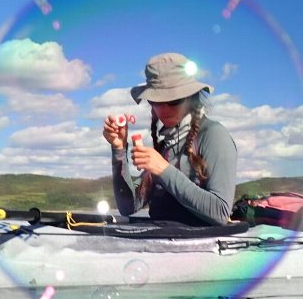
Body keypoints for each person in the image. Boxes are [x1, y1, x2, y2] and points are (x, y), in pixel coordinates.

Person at [102, 52, 237, 226]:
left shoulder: (214, 135)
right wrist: (119, 150)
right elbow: (128, 207)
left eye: (173, 100)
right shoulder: (166, 144)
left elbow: (220, 212)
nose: (163, 108)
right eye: (155, 101)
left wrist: (163, 169)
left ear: (191, 97)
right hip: (161, 248)